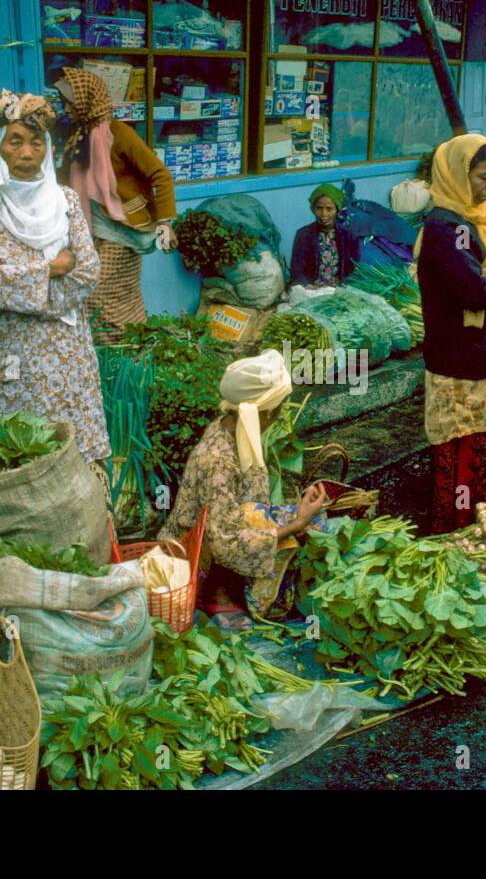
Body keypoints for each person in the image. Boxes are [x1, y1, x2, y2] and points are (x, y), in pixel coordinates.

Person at [0, 89, 110, 468]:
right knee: (11, 454)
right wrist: (52, 269)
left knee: (69, 451)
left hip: (64, 355)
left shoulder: (66, 201)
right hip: (6, 354)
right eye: (15, 141)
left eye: (37, 142)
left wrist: (18, 283)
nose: (28, 154)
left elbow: (88, 272)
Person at [159, 349, 329, 625]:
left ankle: (239, 587)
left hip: (227, 531)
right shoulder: (218, 461)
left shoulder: (234, 427)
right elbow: (223, 542)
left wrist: (300, 514)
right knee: (309, 527)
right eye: (279, 409)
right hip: (200, 554)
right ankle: (220, 595)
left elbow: (247, 504)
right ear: (266, 411)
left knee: (316, 522)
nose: (280, 416)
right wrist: (297, 523)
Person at [417, 135, 486, 534]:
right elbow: (476, 292)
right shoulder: (446, 229)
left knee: (481, 440)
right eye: (484, 177)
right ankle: (458, 529)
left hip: (482, 347)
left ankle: (482, 522)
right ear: (457, 175)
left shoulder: (478, 219)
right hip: (456, 354)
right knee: (460, 445)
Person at [55, 66, 176, 342]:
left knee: (98, 290)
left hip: (124, 229)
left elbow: (161, 175)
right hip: (92, 229)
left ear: (86, 99)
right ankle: (126, 347)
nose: (65, 108)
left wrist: (165, 221)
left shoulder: (118, 134)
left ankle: (122, 349)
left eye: (69, 102)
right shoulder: (79, 135)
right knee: (118, 293)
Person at [290, 183, 359, 287]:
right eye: (319, 208)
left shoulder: (348, 235)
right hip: (312, 289)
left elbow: (354, 269)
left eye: (329, 208)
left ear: (337, 210)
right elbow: (297, 269)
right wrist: (306, 286)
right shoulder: (303, 234)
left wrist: (344, 286)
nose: (324, 214)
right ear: (313, 209)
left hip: (340, 289)